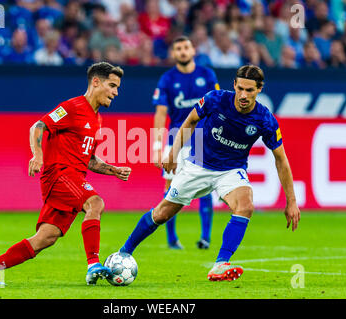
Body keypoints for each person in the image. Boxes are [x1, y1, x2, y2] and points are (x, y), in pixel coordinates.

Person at [120, 65, 300, 282]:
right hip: (198, 165)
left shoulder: (265, 119)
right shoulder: (216, 99)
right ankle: (123, 252)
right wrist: (173, 153)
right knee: (161, 214)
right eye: (240, 88)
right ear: (234, 84)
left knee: (245, 205)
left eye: (249, 90)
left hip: (231, 170)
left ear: (259, 89)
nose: (243, 95)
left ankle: (220, 264)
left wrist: (291, 201)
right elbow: (190, 121)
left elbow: (281, 159)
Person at [0, 62, 132, 286]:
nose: (116, 92)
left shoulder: (96, 119)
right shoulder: (73, 107)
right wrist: (37, 155)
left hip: (73, 177)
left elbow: (90, 160)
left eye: (118, 88)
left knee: (46, 237)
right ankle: (93, 264)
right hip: (60, 174)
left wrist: (113, 170)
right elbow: (38, 126)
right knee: (95, 203)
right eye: (112, 85)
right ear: (96, 82)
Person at [152, 35, 220, 250]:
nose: (182, 51)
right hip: (176, 140)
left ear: (193, 50)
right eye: (178, 48)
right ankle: (172, 240)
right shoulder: (167, 79)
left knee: (206, 186)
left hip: (202, 139)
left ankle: (205, 238)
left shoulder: (207, 75)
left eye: (186, 47)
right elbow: (161, 113)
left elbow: (218, 107)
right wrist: (156, 147)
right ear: (173, 53)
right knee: (170, 187)